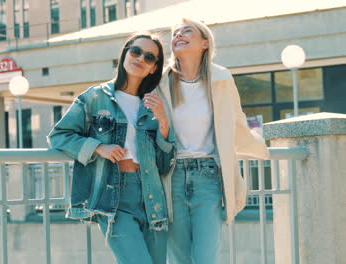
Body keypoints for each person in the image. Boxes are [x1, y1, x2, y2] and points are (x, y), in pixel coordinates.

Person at [48, 33, 175, 264]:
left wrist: (163, 123)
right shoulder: (96, 97)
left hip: (153, 197)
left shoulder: (153, 105)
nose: (140, 59)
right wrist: (98, 147)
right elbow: (59, 136)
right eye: (135, 51)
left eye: (149, 57)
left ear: (154, 68)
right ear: (125, 53)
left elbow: (164, 165)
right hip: (114, 197)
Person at [154, 19, 270, 263]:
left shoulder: (221, 78)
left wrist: (264, 148)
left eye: (187, 31)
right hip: (171, 175)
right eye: (175, 33)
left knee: (207, 256)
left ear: (205, 43)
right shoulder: (160, 81)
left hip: (208, 176)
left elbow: (236, 122)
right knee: (179, 257)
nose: (178, 36)